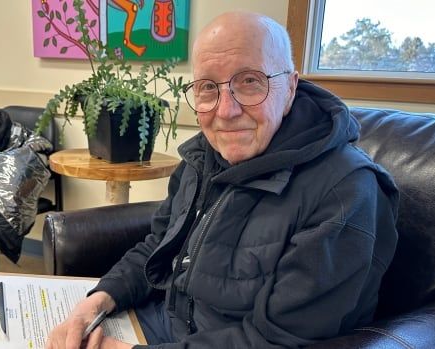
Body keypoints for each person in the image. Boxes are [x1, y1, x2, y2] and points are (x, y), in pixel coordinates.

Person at [46, 11, 399, 349]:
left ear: (290, 88)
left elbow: (279, 340)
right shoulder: (203, 157)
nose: (225, 112)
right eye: (207, 87)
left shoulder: (345, 191)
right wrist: (97, 301)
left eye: (249, 82)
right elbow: (158, 245)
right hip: (159, 324)